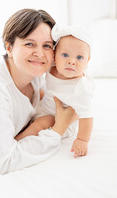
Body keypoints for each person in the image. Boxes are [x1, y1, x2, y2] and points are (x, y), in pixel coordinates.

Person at [0, 9, 78, 196]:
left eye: (47, 46)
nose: (40, 53)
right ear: (9, 47)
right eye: (30, 44)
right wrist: (57, 131)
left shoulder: (35, 75)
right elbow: (3, 163)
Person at [15, 24, 94, 159]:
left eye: (79, 58)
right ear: (55, 56)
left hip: (60, 118)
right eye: (65, 55)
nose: (71, 62)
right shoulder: (53, 67)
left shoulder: (80, 88)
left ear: (87, 60)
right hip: (45, 106)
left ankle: (16, 141)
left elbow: (87, 116)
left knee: (43, 122)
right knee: (36, 96)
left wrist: (82, 140)